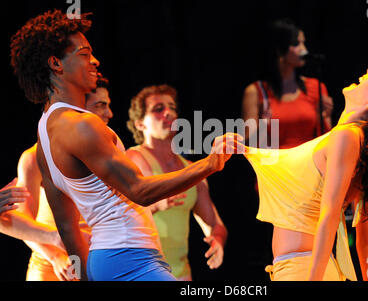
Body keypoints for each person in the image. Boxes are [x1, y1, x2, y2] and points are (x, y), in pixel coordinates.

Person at [10, 9, 242, 281]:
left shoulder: (44, 134)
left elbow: (67, 227)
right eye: (84, 54)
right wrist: (210, 163)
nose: (95, 61)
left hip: (111, 259)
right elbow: (140, 190)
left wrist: (88, 277)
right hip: (129, 258)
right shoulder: (81, 125)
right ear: (56, 64)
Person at [244, 67, 368, 281]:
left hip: (304, 270)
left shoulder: (348, 137)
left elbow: (331, 214)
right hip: (304, 268)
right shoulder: (360, 147)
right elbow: (366, 241)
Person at [1, 74, 115, 281]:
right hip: (54, 267)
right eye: (100, 105)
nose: (109, 113)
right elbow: (17, 221)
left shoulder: (109, 152)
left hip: (97, 261)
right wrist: (55, 255)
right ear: (78, 109)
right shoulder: (34, 158)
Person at [126, 85, 228, 281]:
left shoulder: (191, 168)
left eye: (172, 108)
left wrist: (217, 240)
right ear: (140, 123)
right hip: (141, 272)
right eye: (158, 109)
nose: (168, 113)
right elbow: (113, 219)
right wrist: (154, 205)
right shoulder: (133, 158)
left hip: (180, 275)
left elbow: (215, 224)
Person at [242, 19, 333, 149]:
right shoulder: (256, 91)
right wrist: (263, 126)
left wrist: (325, 116)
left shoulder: (315, 86)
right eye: (296, 44)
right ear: (280, 49)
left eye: (304, 43)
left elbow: (326, 140)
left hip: (308, 163)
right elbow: (248, 146)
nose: (304, 50)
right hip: (275, 166)